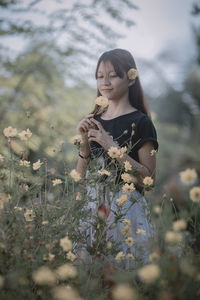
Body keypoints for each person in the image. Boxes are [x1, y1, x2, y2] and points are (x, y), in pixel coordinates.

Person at [75, 48, 159, 270]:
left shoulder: (142, 122)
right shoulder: (94, 120)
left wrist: (111, 145)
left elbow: (149, 181)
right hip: (94, 206)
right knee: (91, 277)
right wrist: (84, 142)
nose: (105, 81)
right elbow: (80, 181)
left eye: (113, 75)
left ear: (130, 79)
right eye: (100, 75)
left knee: (123, 276)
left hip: (127, 210)